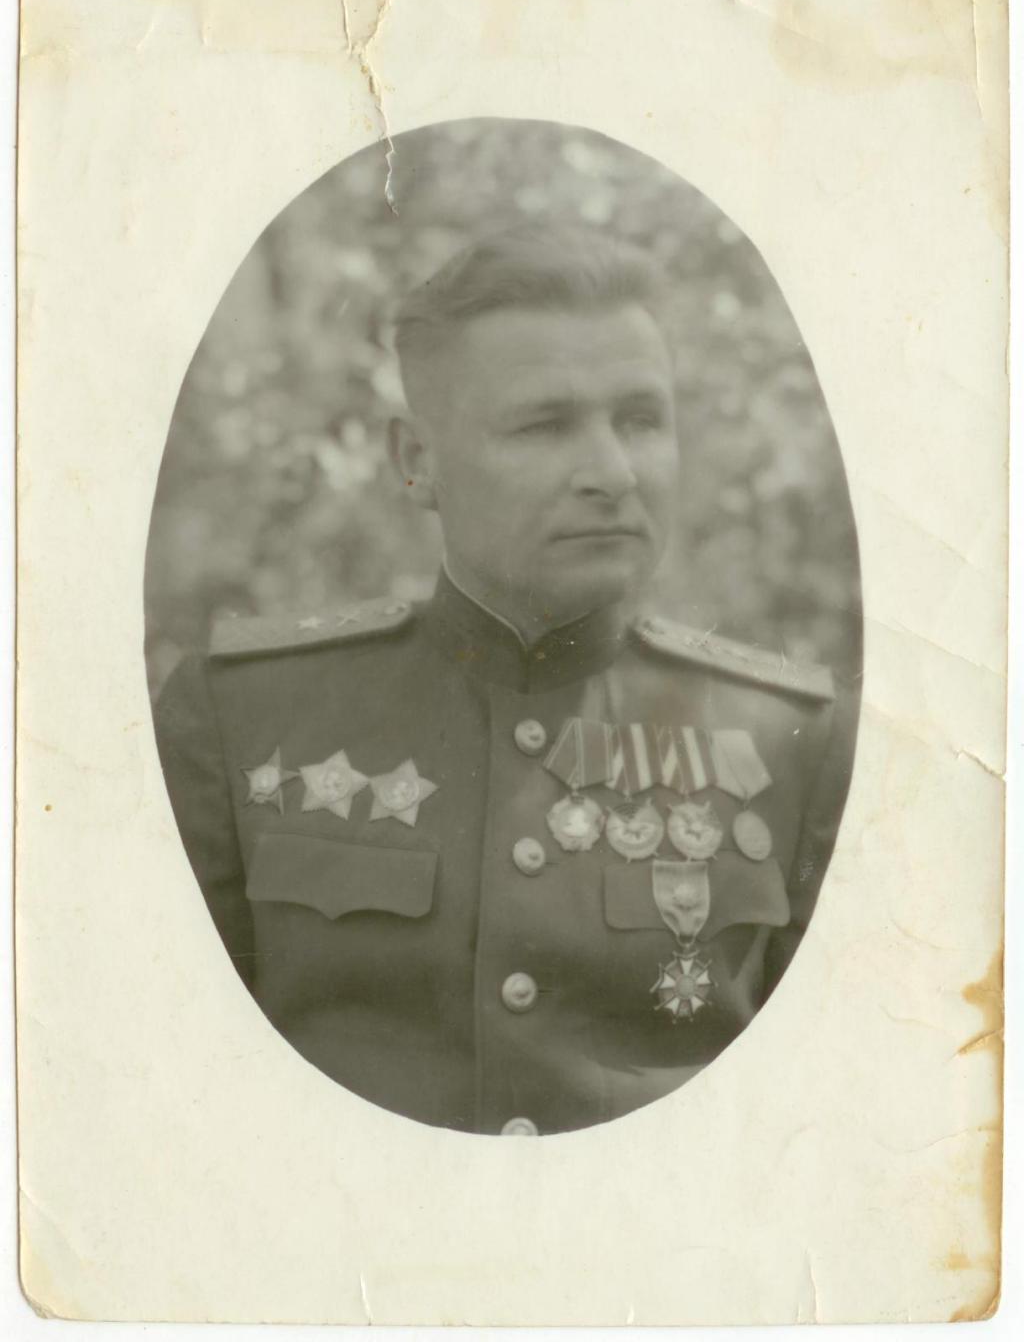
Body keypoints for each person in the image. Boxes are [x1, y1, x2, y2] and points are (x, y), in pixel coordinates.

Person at [154, 224, 857, 1136]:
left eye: (641, 420)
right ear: (417, 461)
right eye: (544, 425)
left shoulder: (793, 742)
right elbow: (165, 1082)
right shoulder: (242, 714)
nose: (613, 473)